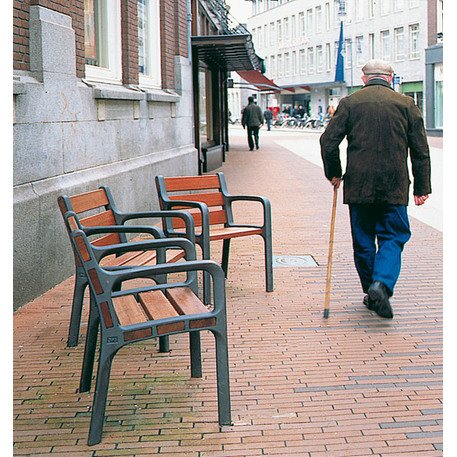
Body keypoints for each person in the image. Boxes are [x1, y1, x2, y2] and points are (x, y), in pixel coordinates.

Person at [320, 59, 431, 319]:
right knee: (394, 236)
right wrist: (422, 187)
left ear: (363, 79)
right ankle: (381, 284)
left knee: (363, 241)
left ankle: (372, 291)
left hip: (359, 185)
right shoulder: (406, 104)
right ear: (390, 78)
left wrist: (334, 173)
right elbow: (420, 150)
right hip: (394, 185)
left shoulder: (349, 103)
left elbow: (328, 142)